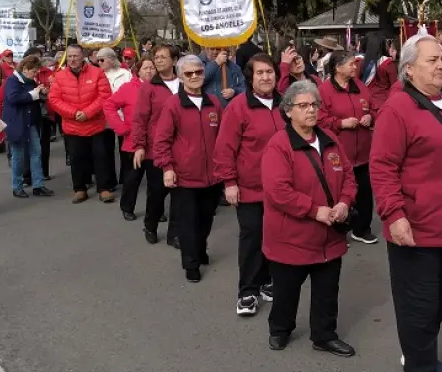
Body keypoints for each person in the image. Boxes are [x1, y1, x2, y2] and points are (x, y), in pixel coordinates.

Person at [370, 33, 442, 372]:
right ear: (409, 69)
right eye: (432, 60)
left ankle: (420, 357)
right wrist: (394, 214)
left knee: (441, 300)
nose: (441, 65)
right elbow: (383, 166)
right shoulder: (398, 108)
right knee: (420, 307)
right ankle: (419, 365)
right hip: (416, 228)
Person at [260, 80, 357, 356]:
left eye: (314, 104)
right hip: (291, 238)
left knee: (327, 291)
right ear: (288, 111)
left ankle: (324, 335)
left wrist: (344, 202)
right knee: (286, 291)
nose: (311, 110)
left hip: (330, 237)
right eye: (303, 105)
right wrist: (315, 210)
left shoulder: (330, 139)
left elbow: (348, 176)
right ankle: (280, 329)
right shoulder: (279, 145)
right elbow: (278, 191)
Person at [214, 54, 283, 316]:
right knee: (253, 237)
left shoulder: (285, 104)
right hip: (250, 188)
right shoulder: (239, 107)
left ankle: (267, 281)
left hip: (281, 189)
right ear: (250, 78)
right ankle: (248, 291)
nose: (266, 77)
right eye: (260, 73)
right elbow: (224, 149)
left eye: (270, 72)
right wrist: (229, 182)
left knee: (275, 237)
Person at [153, 55, 224, 282]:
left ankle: (200, 249)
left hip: (212, 177)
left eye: (198, 72)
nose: (194, 77)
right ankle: (190, 263)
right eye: (189, 73)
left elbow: (223, 138)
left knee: (206, 220)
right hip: (184, 178)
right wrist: (167, 168)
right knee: (188, 223)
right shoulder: (173, 104)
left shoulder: (214, 102)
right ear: (181, 76)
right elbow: (162, 140)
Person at [318, 50, 377, 244]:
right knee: (338, 192)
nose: (355, 67)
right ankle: (337, 228)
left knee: (365, 193)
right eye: (351, 64)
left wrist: (371, 116)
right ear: (337, 67)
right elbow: (319, 119)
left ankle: (361, 229)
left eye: (355, 63)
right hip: (338, 152)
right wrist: (340, 124)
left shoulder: (360, 86)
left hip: (364, 153)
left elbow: (373, 107)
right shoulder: (325, 90)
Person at [48, 43, 116, 204]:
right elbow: (54, 99)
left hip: (95, 125)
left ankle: (104, 189)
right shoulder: (60, 76)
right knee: (77, 159)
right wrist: (73, 113)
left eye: (75, 56)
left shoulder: (97, 72)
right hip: (72, 126)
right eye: (69, 56)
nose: (72, 59)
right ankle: (80, 189)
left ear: (82, 57)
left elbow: (105, 95)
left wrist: (88, 113)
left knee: (101, 157)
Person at [129, 44, 181, 242]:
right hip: (156, 149)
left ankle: (174, 234)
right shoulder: (149, 87)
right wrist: (140, 146)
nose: (158, 60)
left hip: (182, 148)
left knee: (179, 195)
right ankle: (150, 225)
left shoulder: (184, 84)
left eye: (162, 57)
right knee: (157, 192)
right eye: (156, 57)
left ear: (174, 61)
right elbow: (140, 119)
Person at [105, 57, 155, 220]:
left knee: (156, 182)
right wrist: (120, 127)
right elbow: (109, 105)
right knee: (133, 178)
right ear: (138, 71)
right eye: (145, 68)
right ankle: (127, 207)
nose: (149, 71)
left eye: (151, 67)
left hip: (156, 143)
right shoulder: (128, 88)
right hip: (134, 142)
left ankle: (155, 210)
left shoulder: (161, 87)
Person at [1, 56, 54, 199]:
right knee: (18, 156)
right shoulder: (12, 81)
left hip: (30, 122)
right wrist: (33, 94)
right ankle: (17, 186)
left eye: (36, 71)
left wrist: (40, 92)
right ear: (25, 68)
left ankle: (38, 184)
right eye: (33, 71)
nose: (35, 74)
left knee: (36, 153)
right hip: (17, 123)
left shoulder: (29, 80)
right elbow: (13, 98)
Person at [97, 47, 130, 186]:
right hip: (105, 117)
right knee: (106, 151)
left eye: (102, 59)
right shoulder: (98, 74)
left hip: (123, 117)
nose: (99, 63)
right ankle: (109, 180)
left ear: (110, 59)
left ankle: (126, 178)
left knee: (125, 150)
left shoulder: (125, 73)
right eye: (97, 60)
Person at [359, 33, 398, 111]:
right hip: (382, 103)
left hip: (362, 102)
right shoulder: (387, 63)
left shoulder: (358, 61)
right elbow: (395, 86)